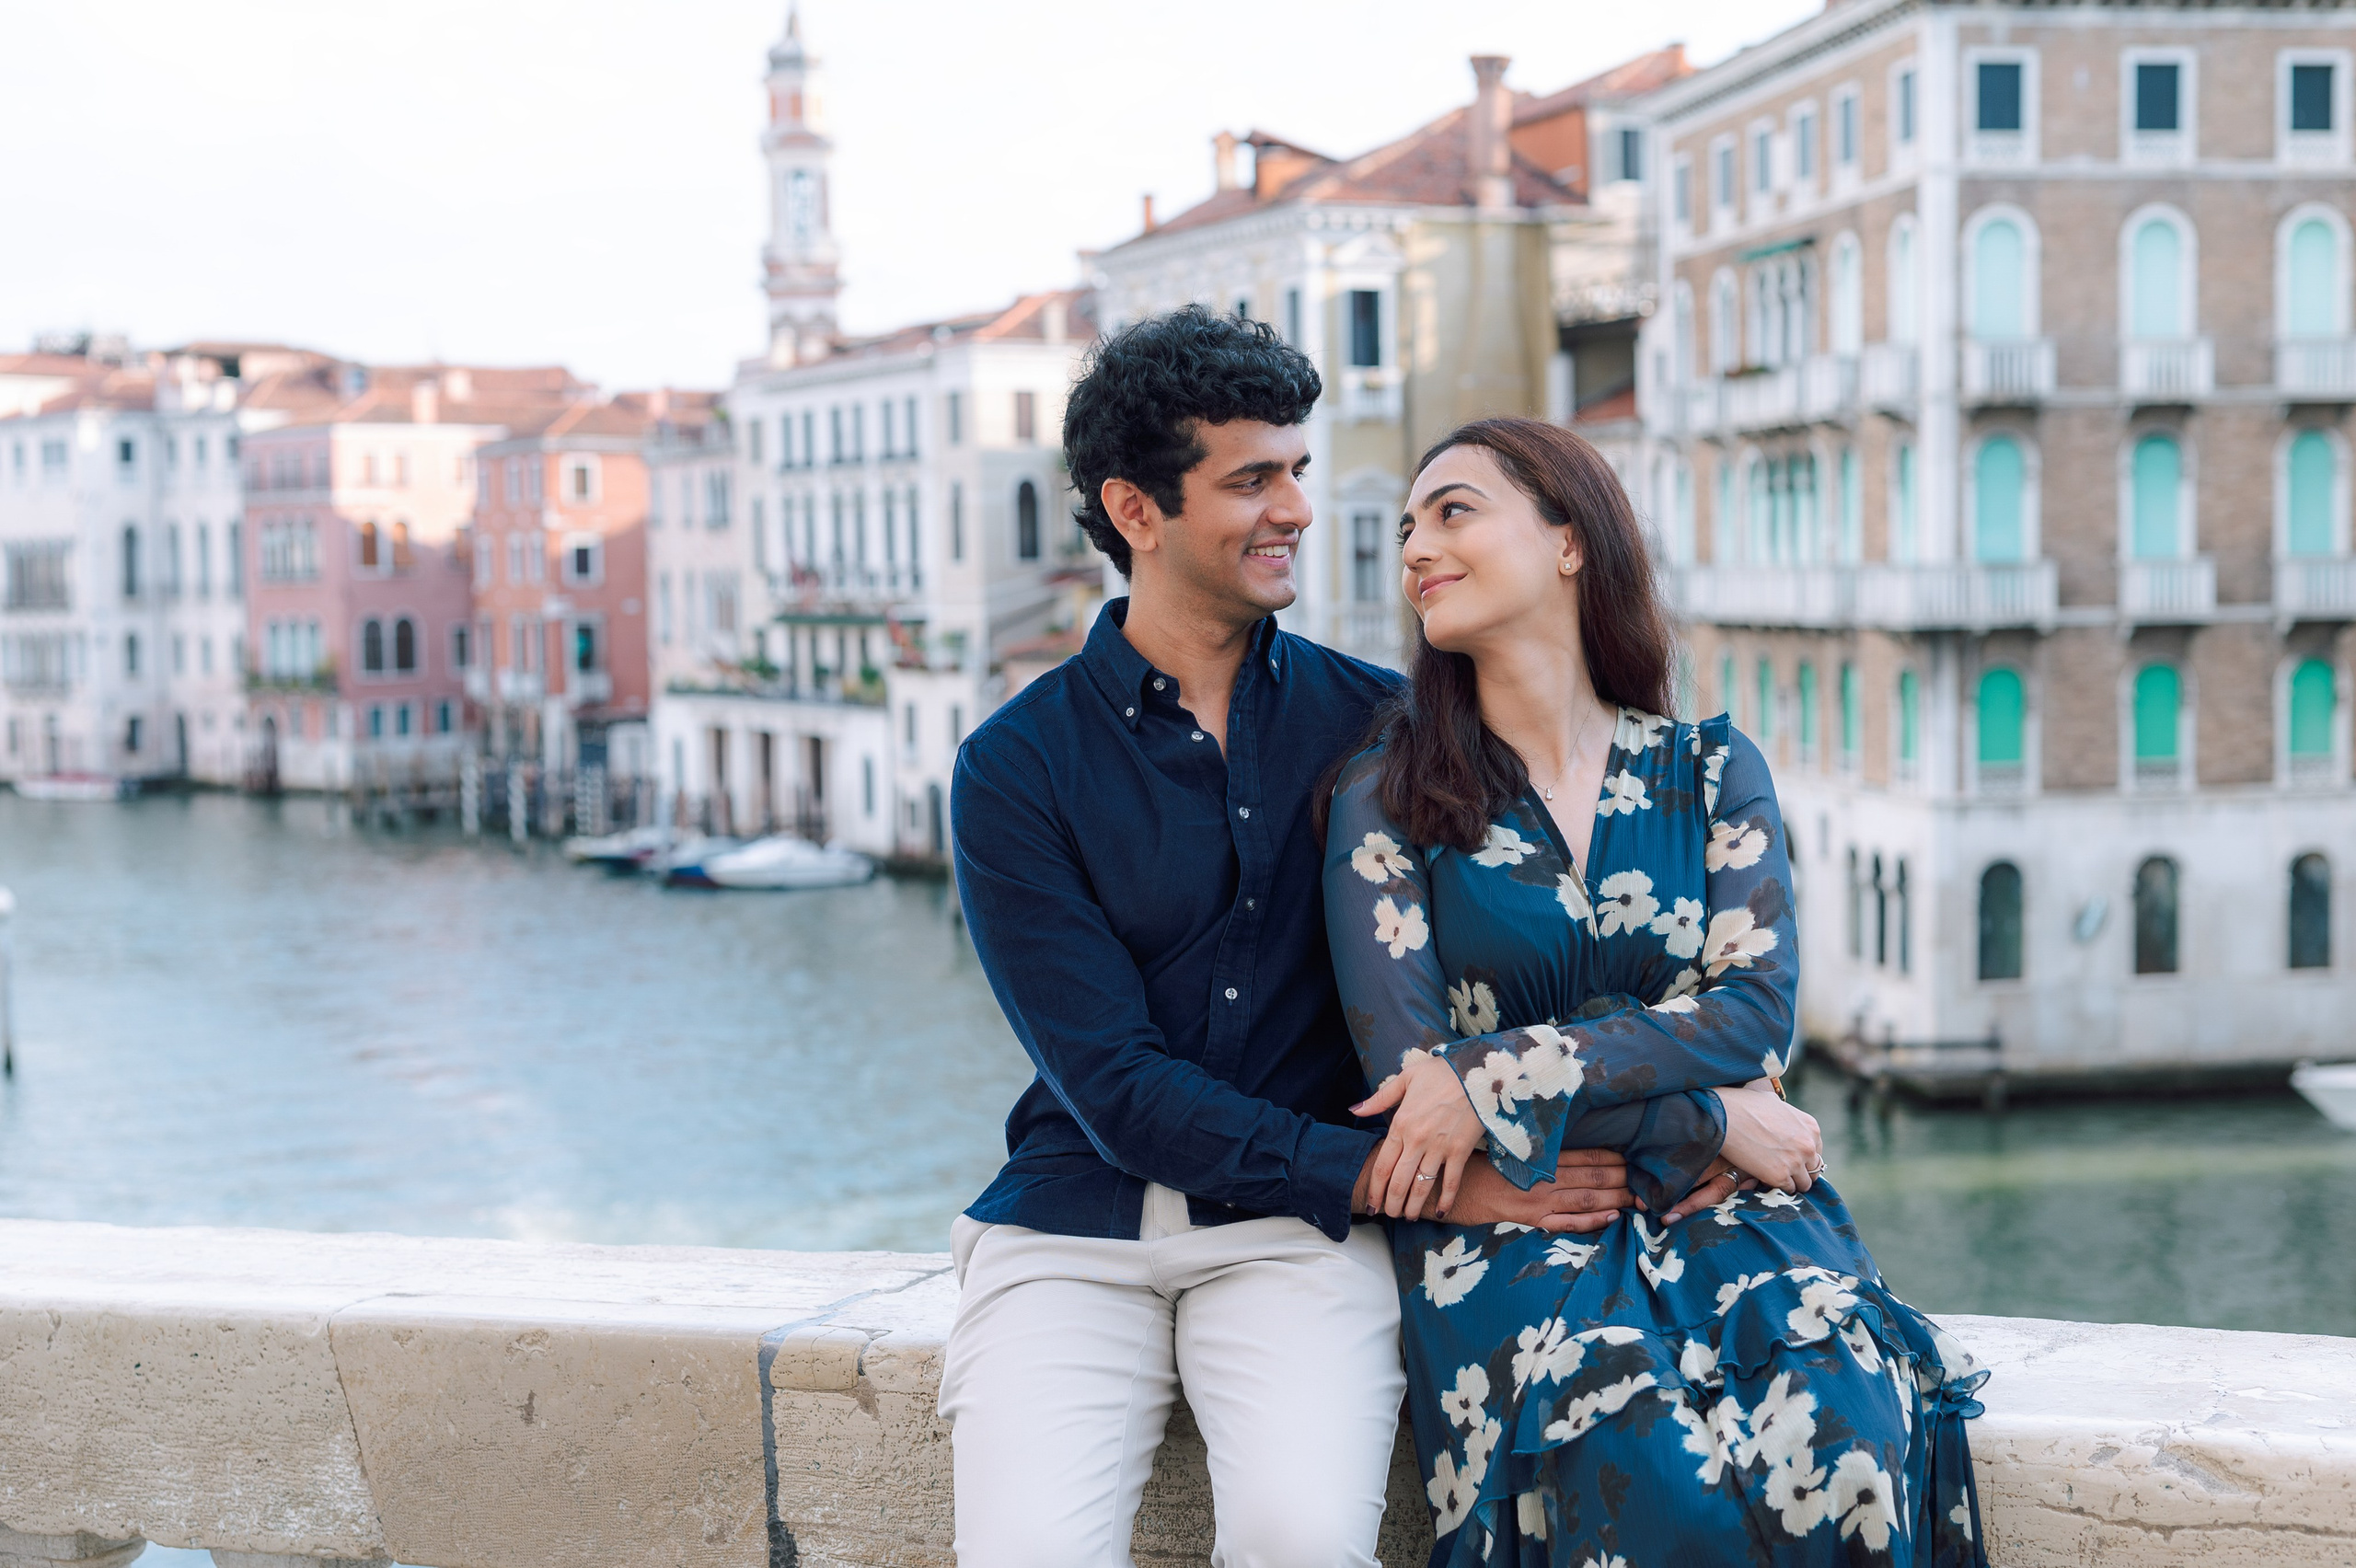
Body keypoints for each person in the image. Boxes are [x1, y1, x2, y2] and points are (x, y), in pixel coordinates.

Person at [939, 308, 1824, 1566]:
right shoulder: (1014, 768)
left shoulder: (1389, 736)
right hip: (1074, 1229)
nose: (1298, 507)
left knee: (1304, 1542)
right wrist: (1433, 1177)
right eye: (1253, 479)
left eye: (1297, 470)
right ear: (1136, 510)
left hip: (1298, 1250)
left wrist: (1710, 1108)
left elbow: (1548, 971)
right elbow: (1122, 1094)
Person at [1322, 416, 1990, 1566]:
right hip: (1522, 1230)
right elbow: (1415, 1101)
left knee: (1848, 1424)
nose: (1416, 548)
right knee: (1635, 1462)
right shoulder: (1385, 798)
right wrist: (1711, 1111)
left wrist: (1494, 1075)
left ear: (1569, 538)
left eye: (1453, 511)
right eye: (1405, 527)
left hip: (1733, 1211)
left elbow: (1751, 1013)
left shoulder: (1713, 770)